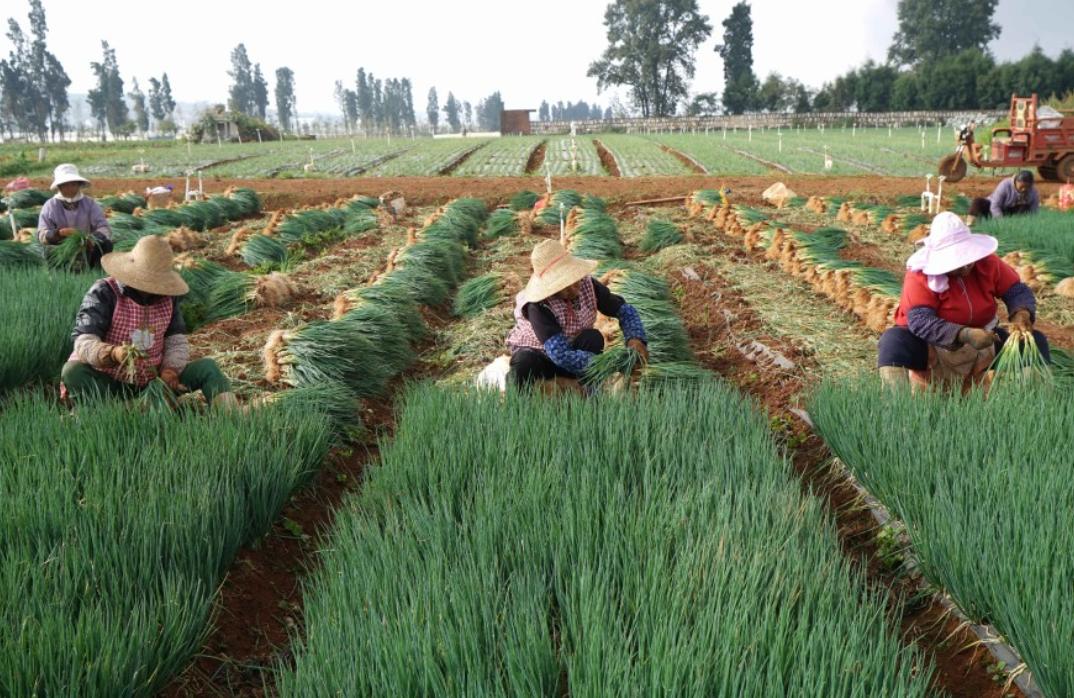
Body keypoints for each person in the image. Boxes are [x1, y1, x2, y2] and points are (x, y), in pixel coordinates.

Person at [61, 235, 239, 409]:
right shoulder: (104, 292)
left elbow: (175, 340)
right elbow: (84, 340)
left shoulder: (167, 297)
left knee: (207, 367)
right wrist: (114, 353)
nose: (150, 288)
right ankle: (127, 411)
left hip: (153, 382)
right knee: (73, 371)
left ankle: (231, 416)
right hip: (110, 381)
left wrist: (170, 371)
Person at [878, 212, 1049, 392]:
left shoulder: (987, 263)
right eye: (957, 262)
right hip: (934, 344)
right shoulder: (920, 275)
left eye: (968, 259)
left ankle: (1038, 402)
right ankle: (897, 404)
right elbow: (921, 320)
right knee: (893, 341)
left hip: (983, 339)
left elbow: (1016, 290)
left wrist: (1021, 312)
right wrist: (965, 334)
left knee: (1035, 341)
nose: (966, 266)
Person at [506, 239, 649, 392]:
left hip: (573, 352)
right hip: (541, 357)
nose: (573, 288)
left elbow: (624, 310)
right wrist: (608, 364)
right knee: (524, 363)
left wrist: (635, 338)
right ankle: (523, 396)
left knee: (592, 338)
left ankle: (584, 389)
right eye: (563, 285)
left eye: (574, 280)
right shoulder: (538, 305)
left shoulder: (588, 285)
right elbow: (560, 354)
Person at [37, 163, 114, 268]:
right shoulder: (50, 205)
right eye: (65, 185)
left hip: (88, 247)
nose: (70, 188)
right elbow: (42, 235)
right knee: (49, 250)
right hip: (62, 248)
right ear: (59, 187)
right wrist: (59, 233)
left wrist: (91, 240)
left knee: (106, 244)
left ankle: (97, 272)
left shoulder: (89, 203)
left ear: (79, 185)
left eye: (74, 184)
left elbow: (104, 228)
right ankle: (57, 276)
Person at [966, 170, 1039, 226]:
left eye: (1027, 187)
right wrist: (1002, 223)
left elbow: (1033, 211)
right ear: (1016, 181)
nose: (1024, 189)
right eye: (1021, 187)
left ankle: (1016, 226)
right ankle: (971, 225)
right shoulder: (1005, 185)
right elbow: (995, 205)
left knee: (1025, 207)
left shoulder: (1033, 191)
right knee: (977, 202)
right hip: (992, 209)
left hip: (1010, 213)